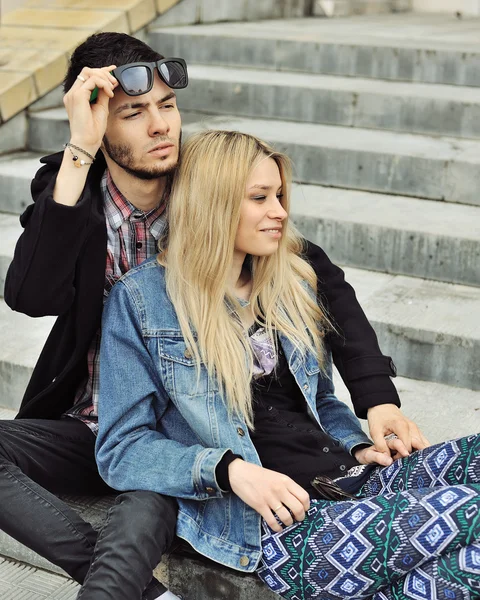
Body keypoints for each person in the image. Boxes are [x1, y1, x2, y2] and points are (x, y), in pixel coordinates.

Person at [3, 29, 424, 600]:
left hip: (193, 424)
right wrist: (79, 151)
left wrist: (376, 395)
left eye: (168, 106)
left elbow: (319, 278)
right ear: (100, 126)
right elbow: (31, 296)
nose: (160, 126)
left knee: (149, 503)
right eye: (133, 113)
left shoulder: (205, 185)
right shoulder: (75, 193)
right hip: (94, 419)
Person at [96, 130, 480, 600]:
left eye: (278, 195)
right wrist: (231, 471)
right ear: (212, 205)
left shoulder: (286, 281)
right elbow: (121, 448)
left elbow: (318, 399)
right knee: (471, 511)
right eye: (260, 198)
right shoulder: (142, 300)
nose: (279, 212)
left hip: (351, 479)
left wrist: (358, 447)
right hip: (282, 528)